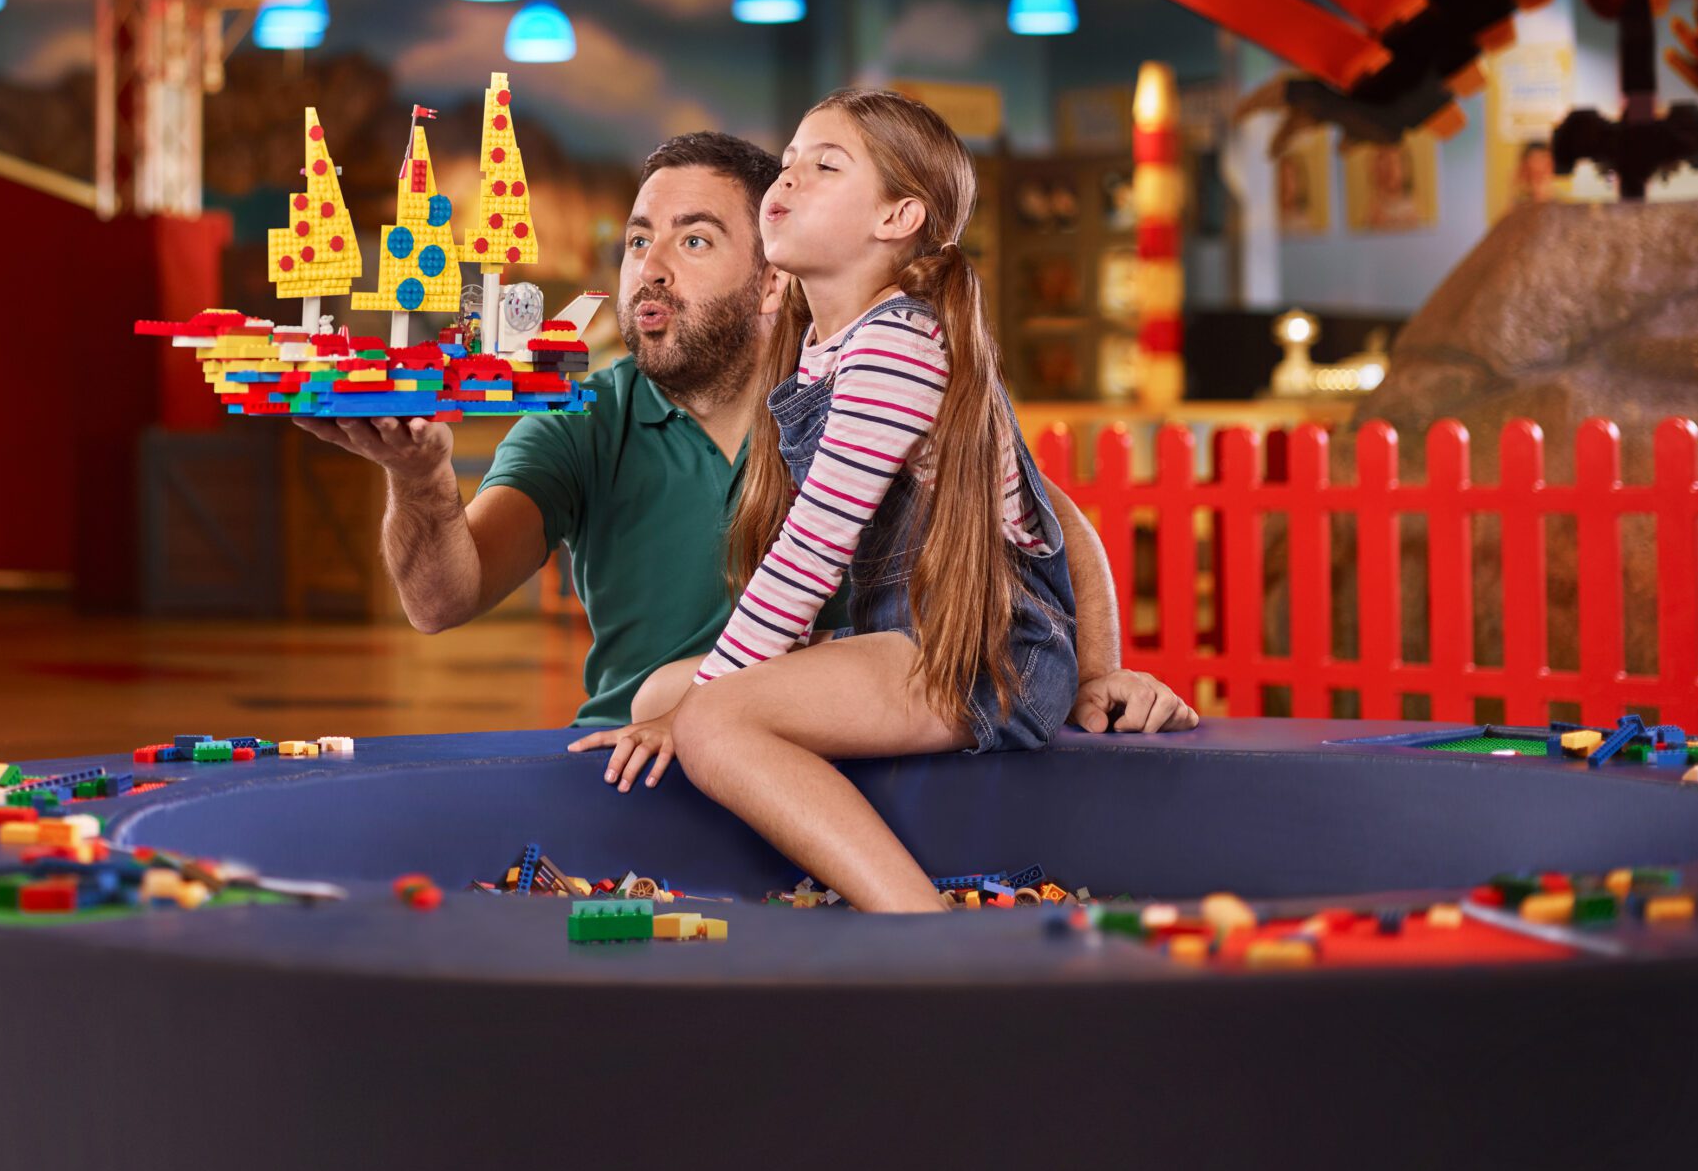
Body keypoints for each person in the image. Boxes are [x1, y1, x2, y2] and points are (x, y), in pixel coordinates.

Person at [295, 125, 1195, 747]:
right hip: (631, 759)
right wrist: (419, 479)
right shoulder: (582, 422)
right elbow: (441, 601)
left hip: (829, 759)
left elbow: (1047, 520)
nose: (648, 269)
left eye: (693, 242)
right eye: (638, 240)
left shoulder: (860, 391)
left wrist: (1094, 675)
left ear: (774, 281)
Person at [569, 90, 1086, 910]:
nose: (790, 178)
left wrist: (713, 708)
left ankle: (917, 924)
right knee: (657, 695)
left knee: (706, 721)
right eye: (790, 160)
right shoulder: (828, 345)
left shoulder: (898, 348)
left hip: (984, 654)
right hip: (899, 639)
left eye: (825, 166)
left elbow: (810, 554)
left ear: (897, 217)